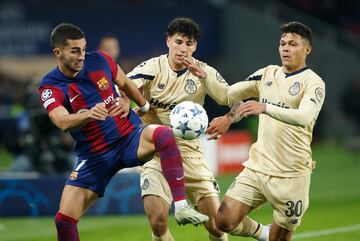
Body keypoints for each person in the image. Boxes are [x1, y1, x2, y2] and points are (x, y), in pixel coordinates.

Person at [38, 23, 209, 241]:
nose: (82, 56)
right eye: (75, 51)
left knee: (163, 134)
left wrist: (144, 106)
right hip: (94, 156)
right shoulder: (50, 85)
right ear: (57, 52)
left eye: (83, 48)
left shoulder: (100, 59)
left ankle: (181, 206)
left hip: (129, 137)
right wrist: (88, 115)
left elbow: (125, 82)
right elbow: (60, 120)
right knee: (64, 221)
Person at [127, 17, 268, 241]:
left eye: (189, 44)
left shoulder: (203, 72)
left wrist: (228, 119)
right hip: (156, 153)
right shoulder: (152, 67)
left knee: (218, 225)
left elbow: (234, 99)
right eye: (179, 42)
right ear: (168, 41)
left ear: (196, 46)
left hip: (191, 154)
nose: (183, 49)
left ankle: (261, 232)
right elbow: (126, 87)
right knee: (157, 220)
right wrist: (135, 108)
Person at [207, 22, 326, 241]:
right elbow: (228, 94)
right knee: (223, 221)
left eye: (292, 44)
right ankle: (262, 232)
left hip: (291, 176)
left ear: (307, 49)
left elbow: (304, 117)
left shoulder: (314, 83)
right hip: (257, 167)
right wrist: (206, 75)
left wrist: (266, 107)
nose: (285, 48)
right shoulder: (267, 74)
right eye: (282, 44)